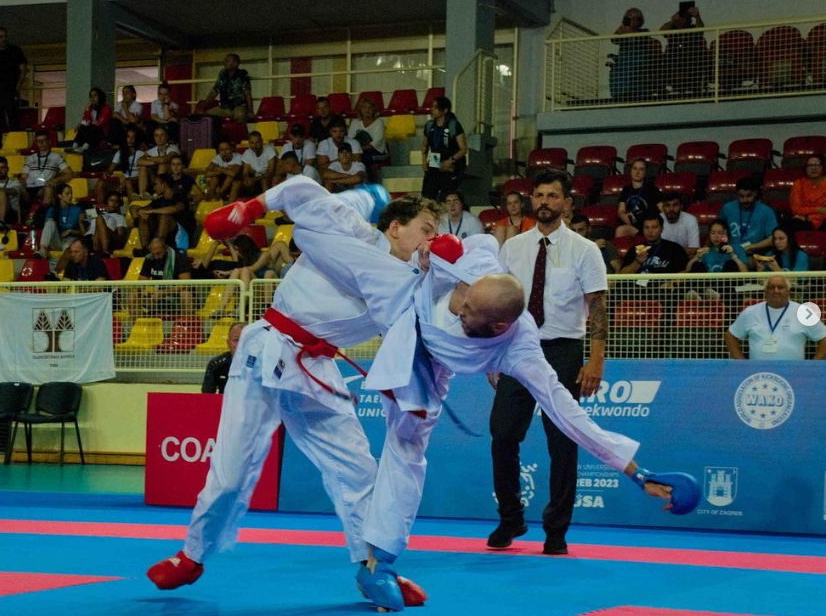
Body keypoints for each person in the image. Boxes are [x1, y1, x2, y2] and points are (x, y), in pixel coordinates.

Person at [197, 179, 699, 610]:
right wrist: (434, 253)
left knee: (407, 453)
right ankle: (265, 208)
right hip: (406, 301)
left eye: (467, 317)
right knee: (323, 234)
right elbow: (447, 259)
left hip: (426, 368)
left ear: (499, 328)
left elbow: (567, 413)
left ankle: (378, 563)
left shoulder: (520, 347)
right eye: (462, 303)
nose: (459, 313)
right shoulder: (470, 255)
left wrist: (637, 472)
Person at [147, 185, 441, 612]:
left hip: (317, 370)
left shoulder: (415, 285)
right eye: (425, 230)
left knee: (359, 470)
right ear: (395, 229)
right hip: (265, 351)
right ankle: (192, 556)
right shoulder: (354, 232)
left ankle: (374, 567)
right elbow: (302, 189)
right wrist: (250, 208)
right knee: (231, 473)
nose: (431, 240)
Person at [490, 169, 609, 555]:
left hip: (564, 349)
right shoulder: (512, 248)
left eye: (552, 196)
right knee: (503, 434)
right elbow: (499, 304)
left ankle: (556, 529)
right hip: (516, 347)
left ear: (566, 203)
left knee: (563, 441)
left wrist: (596, 361)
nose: (544, 201)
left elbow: (599, 307)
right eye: (538, 195)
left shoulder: (585, 250)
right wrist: (491, 353)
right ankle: (511, 518)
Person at [726, 275, 826, 360]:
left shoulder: (804, 312)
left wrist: (814, 365)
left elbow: (824, 337)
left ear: (788, 290)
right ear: (765, 291)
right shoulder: (750, 312)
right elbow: (731, 336)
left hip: (794, 375)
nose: (776, 291)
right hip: (758, 375)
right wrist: (741, 363)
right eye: (771, 287)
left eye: (780, 287)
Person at [0, 26, 27, 151]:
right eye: (0, 37)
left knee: (13, 118)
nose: (3, 39)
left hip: (10, 89)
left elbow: (23, 69)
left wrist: (18, 85)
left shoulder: (15, 50)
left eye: (5, 36)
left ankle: (16, 145)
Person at [420, 96, 467, 201]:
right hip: (435, 159)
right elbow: (424, 146)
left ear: (445, 110)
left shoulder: (453, 124)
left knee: (447, 196)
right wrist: (424, 162)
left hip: (452, 161)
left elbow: (463, 149)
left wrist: (450, 161)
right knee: (427, 197)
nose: (432, 109)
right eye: (432, 106)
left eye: (435, 107)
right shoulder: (429, 125)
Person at [130, 175, 192, 251]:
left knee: (165, 216)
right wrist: (141, 211)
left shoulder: (180, 196)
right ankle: (145, 249)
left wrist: (151, 211)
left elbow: (173, 209)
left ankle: (158, 246)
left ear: (164, 184)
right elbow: (135, 208)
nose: (154, 188)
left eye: (156, 184)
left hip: (180, 235)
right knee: (143, 217)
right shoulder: (160, 200)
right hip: (164, 234)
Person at [720, 177, 778, 255]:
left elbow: (773, 238)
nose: (745, 200)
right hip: (730, 253)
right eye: (741, 196)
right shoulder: (727, 208)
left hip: (754, 254)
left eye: (749, 196)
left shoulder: (766, 211)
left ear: (755, 193)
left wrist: (751, 247)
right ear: (737, 194)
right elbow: (718, 230)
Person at [660, 4, 707, 94]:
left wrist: (697, 16)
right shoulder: (672, 29)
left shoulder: (692, 28)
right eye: (680, 18)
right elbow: (662, 30)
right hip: (673, 61)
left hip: (691, 61)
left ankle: (696, 90)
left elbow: (700, 30)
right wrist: (672, 20)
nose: (681, 20)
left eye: (684, 17)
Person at [619, 214, 689, 275]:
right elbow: (622, 275)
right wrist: (637, 263)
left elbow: (685, 273)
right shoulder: (635, 249)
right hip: (638, 289)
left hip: (663, 289)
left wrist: (672, 283)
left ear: (661, 229)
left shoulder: (674, 249)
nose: (650, 231)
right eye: (646, 227)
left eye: (654, 227)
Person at [20, 129, 73, 207]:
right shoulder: (30, 158)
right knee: (16, 187)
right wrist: (22, 186)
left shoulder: (56, 157)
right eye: (39, 141)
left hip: (44, 187)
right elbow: (24, 177)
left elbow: (70, 173)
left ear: (49, 141)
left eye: (44, 140)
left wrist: (56, 180)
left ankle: (43, 214)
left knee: (49, 189)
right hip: (29, 187)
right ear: (36, 143)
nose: (41, 143)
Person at [196, 53, 253, 122]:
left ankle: (240, 132)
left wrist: (250, 111)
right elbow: (214, 91)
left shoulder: (242, 74)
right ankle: (217, 132)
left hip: (239, 106)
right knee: (207, 116)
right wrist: (203, 106)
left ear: (235, 63)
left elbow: (247, 93)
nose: (224, 63)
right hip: (224, 108)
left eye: (227, 61)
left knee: (240, 115)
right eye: (225, 61)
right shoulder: (222, 73)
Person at [610, 8, 652, 100]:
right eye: (630, 17)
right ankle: (620, 94)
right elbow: (614, 40)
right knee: (615, 70)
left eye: (636, 18)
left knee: (631, 69)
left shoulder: (644, 31)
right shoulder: (623, 30)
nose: (633, 20)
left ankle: (631, 92)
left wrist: (630, 31)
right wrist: (620, 30)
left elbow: (643, 40)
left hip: (638, 60)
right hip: (624, 60)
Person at [38, 184, 85, 265]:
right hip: (57, 240)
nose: (70, 196)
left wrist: (71, 231)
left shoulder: (77, 210)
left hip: (69, 240)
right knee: (50, 222)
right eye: (67, 194)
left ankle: (60, 266)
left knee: (69, 245)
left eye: (71, 193)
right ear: (60, 195)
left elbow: (83, 233)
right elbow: (48, 229)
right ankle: (42, 250)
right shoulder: (52, 210)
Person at [616, 159, 662, 237]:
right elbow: (621, 210)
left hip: (648, 227)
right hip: (632, 225)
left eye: (641, 169)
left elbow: (663, 210)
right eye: (635, 168)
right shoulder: (626, 189)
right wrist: (623, 215)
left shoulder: (653, 189)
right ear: (630, 171)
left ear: (645, 172)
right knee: (620, 230)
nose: (637, 172)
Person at [348, 97, 388, 182]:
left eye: (370, 108)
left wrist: (359, 150)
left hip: (377, 152)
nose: (367, 110)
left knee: (363, 159)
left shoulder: (379, 122)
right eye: (364, 107)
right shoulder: (355, 122)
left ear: (374, 110)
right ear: (360, 109)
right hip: (359, 151)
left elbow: (377, 142)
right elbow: (350, 139)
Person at [136, 126, 180, 200]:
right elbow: (139, 161)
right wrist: (155, 162)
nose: (159, 138)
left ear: (167, 137)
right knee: (143, 167)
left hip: (171, 177)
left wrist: (149, 158)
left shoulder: (173, 148)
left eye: (162, 135)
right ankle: (142, 196)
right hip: (155, 177)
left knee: (162, 165)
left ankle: (157, 194)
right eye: (156, 135)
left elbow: (164, 160)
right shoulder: (153, 150)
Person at [103, 126, 145, 203]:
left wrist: (126, 181)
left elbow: (143, 175)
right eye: (128, 137)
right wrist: (107, 173)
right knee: (101, 183)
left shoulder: (141, 153)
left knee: (128, 182)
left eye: (133, 137)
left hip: (137, 182)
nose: (130, 139)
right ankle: (103, 209)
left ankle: (133, 209)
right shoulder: (120, 153)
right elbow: (111, 169)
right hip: (125, 182)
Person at [201, 322, 245, 394]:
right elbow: (206, 397)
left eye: (244, 340)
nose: (240, 344)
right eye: (236, 340)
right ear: (228, 343)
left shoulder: (259, 365)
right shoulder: (216, 364)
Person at [789, 153, 826, 230]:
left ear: (823, 167)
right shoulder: (798, 184)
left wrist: (808, 217)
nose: (814, 168)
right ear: (805, 168)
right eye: (810, 166)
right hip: (802, 221)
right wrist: (819, 209)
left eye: (817, 165)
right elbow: (796, 209)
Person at [72, 87, 112, 153]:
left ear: (100, 96)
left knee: (92, 127)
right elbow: (85, 120)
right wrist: (87, 111)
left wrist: (86, 123)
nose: (92, 98)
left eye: (95, 95)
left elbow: (99, 123)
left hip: (101, 133)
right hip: (90, 132)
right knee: (82, 126)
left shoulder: (106, 108)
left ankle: (85, 147)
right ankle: (75, 145)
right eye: (91, 96)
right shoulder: (90, 108)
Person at [659, 192, 700, 256]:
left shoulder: (691, 220)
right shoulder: (657, 220)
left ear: (681, 206)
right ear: (663, 207)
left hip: (683, 259)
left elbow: (694, 248)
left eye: (675, 205)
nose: (671, 209)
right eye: (667, 205)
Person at [240, 131, 277, 198]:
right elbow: (245, 173)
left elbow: (270, 173)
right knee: (242, 183)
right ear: (249, 143)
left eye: (257, 142)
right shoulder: (247, 153)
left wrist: (254, 179)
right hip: (255, 178)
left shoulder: (270, 150)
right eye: (252, 143)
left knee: (264, 181)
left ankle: (267, 205)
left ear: (262, 142)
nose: (255, 145)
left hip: (268, 178)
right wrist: (247, 179)